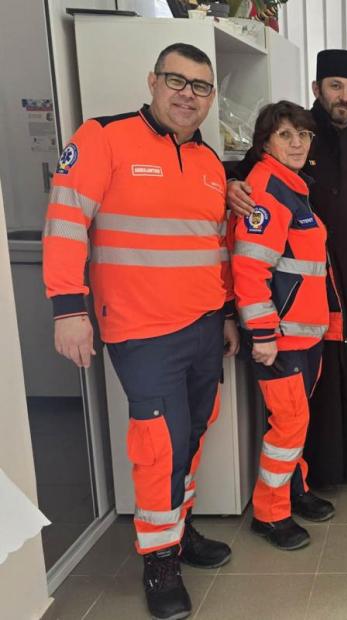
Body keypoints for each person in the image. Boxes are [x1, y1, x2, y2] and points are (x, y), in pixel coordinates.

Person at [43, 43, 238, 620]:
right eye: (177, 81)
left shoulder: (209, 163)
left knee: (192, 433)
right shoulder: (104, 138)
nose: (188, 95)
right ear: (153, 81)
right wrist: (68, 309)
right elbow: (65, 220)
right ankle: (159, 561)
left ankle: (179, 529)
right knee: (159, 446)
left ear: (210, 98)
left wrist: (227, 314)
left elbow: (215, 247)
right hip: (141, 330)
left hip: (204, 323)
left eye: (201, 86)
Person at [228, 49, 347, 484]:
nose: (344, 97)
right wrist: (230, 185)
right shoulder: (298, 134)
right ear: (318, 88)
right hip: (310, 284)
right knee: (321, 382)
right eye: (336, 86)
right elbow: (248, 173)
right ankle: (323, 471)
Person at [232, 101, 338, 551]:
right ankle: (271, 514)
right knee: (289, 424)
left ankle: (295, 489)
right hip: (280, 339)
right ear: (266, 142)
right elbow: (249, 269)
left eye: (304, 135)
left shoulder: (293, 188)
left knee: (296, 422)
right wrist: (262, 335)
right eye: (286, 135)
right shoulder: (267, 191)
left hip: (304, 334)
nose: (297, 143)